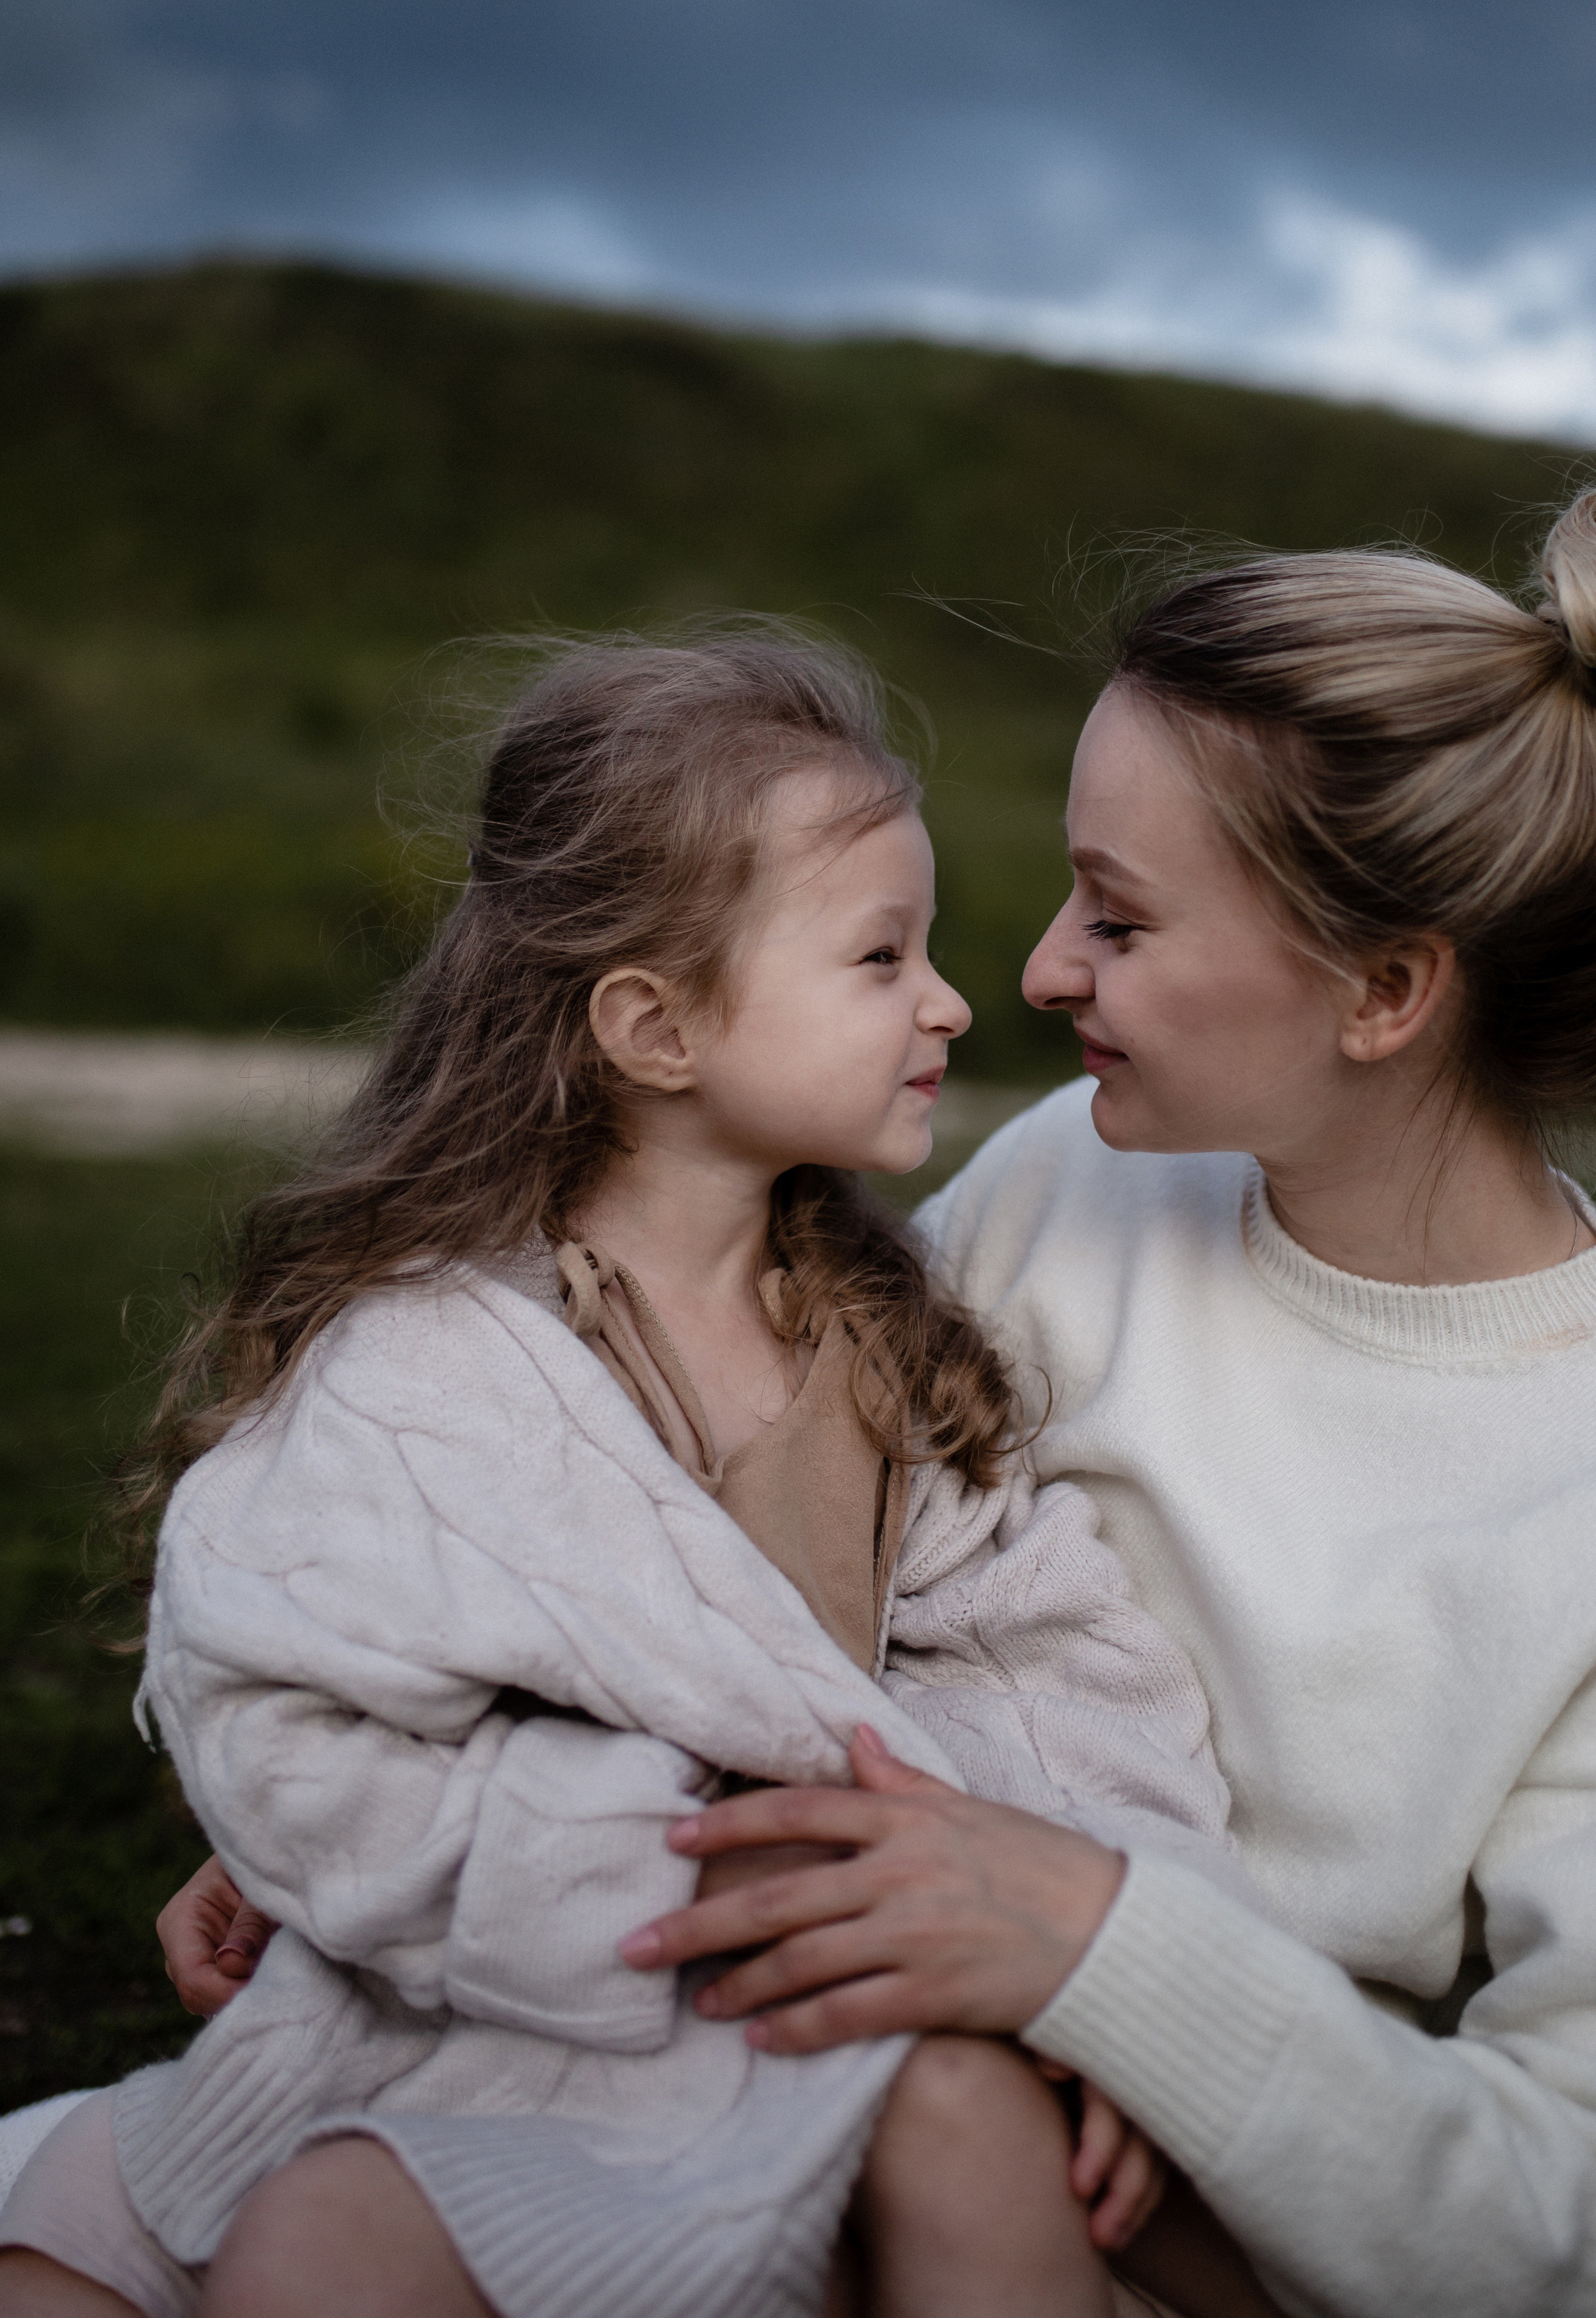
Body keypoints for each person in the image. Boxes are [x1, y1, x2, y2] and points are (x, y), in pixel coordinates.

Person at [0, 630, 1261, 2318]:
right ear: (656, 1025)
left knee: (979, 2163)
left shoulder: (888, 1348)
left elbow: (1062, 1672)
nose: (952, 1000)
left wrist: (1098, 1947)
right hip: (504, 2015)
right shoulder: (423, 1374)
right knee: (262, 2247)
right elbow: (287, 1711)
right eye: (882, 958)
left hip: (835, 2004)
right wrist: (667, 1872)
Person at [616, 491, 1596, 2318]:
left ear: (1385, 990)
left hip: (1138, 2229)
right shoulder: (1081, 1167)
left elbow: (1548, 2221)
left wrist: (1086, 1948)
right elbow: (769, 1509)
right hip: (751, 2041)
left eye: (1121, 921)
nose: (1043, 971)